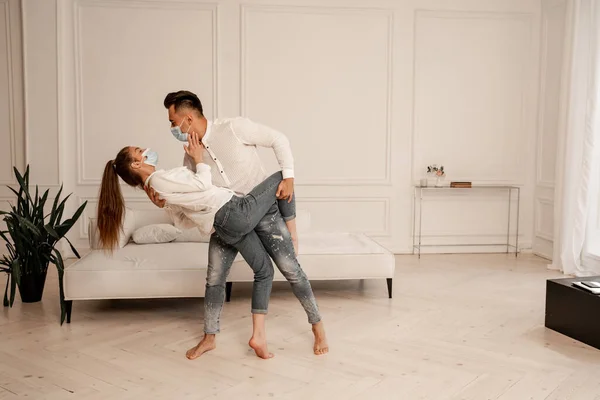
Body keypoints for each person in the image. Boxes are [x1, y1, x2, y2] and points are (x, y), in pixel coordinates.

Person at [145, 91, 328, 359]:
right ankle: (209, 338)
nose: (172, 128)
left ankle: (317, 326)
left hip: (263, 212)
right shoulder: (190, 158)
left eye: (173, 122)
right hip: (228, 219)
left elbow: (278, 139)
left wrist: (288, 176)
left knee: (291, 270)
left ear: (187, 118)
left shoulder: (233, 128)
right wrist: (167, 204)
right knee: (214, 277)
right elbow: (193, 205)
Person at [97, 133, 313, 359]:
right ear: (137, 163)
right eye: (140, 150)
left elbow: (183, 220)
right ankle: (293, 235)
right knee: (283, 176)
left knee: (257, 272)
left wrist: (168, 202)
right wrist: (199, 158)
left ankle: (232, 338)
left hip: (222, 221)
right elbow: (201, 184)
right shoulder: (159, 181)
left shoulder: (158, 186)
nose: (146, 150)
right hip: (231, 211)